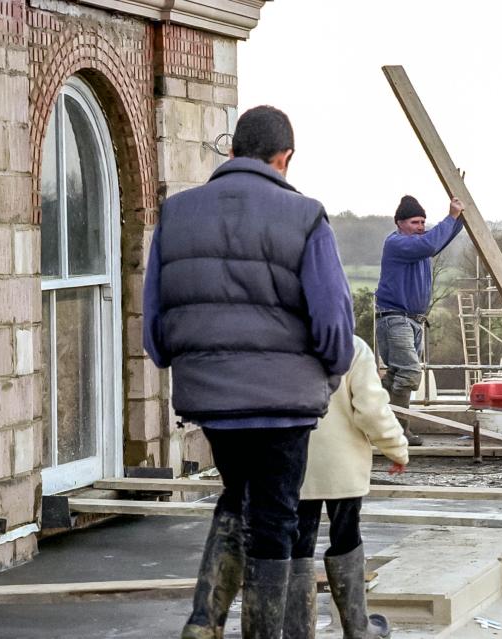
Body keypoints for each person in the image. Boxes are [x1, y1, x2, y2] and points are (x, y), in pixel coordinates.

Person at [143, 105, 355, 639]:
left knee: (236, 498)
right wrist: (328, 377)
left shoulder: (177, 213)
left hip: (212, 403)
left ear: (232, 151)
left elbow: (154, 327)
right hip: (284, 405)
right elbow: (335, 325)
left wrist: (194, 367)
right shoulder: (305, 215)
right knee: (277, 518)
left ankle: (204, 620)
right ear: (285, 158)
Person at [285, 335, 409, 639]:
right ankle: (358, 628)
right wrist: (396, 448)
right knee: (346, 536)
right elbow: (371, 410)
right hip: (342, 467)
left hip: (293, 463)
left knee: (298, 543)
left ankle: (298, 632)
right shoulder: (351, 347)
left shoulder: (282, 343)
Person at [374, 195, 465, 445]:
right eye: (415, 222)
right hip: (395, 318)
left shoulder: (420, 244)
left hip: (412, 320)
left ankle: (375, 423)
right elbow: (430, 245)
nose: (421, 226)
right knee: (408, 371)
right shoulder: (397, 244)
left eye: (423, 222)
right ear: (399, 223)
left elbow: (439, 240)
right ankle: (399, 431)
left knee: (395, 377)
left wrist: (460, 219)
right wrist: (452, 216)